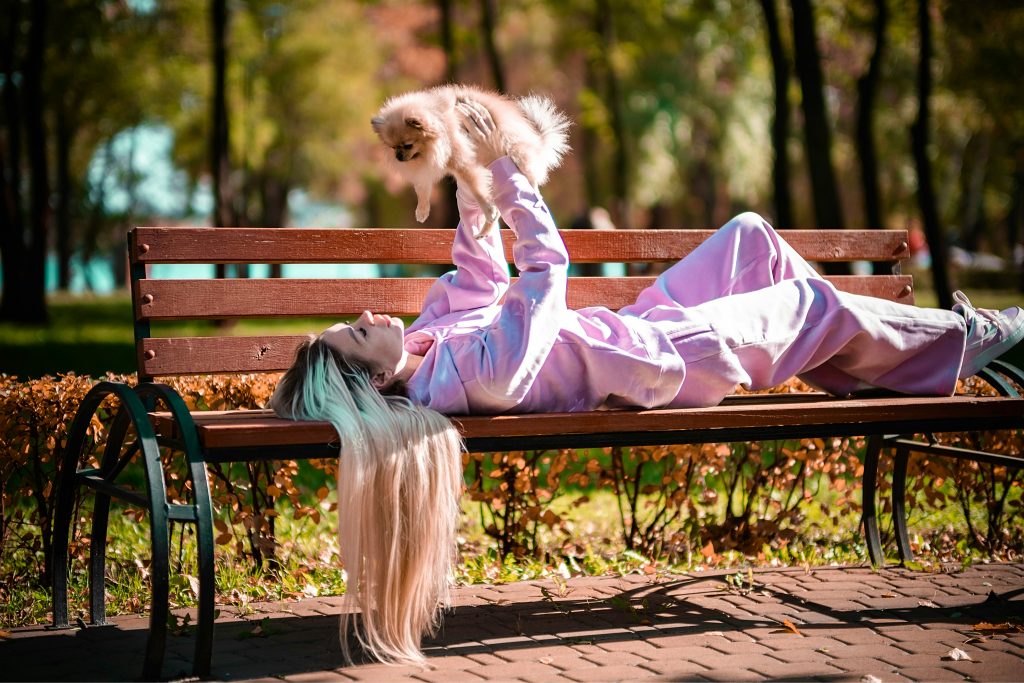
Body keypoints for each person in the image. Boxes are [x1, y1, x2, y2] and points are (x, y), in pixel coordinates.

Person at [269, 101, 1024, 665]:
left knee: (752, 239)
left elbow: (480, 270)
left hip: (642, 323)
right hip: (674, 358)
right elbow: (543, 274)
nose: (369, 311)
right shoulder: (472, 376)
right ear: (371, 375)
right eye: (359, 329)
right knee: (811, 304)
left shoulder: (434, 337)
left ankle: (874, 363)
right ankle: (976, 336)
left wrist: (469, 169)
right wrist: (509, 173)